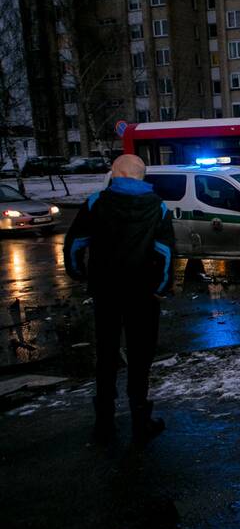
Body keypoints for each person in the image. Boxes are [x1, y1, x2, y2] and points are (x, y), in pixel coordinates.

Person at [64, 154, 175, 445]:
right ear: (141, 176)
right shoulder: (157, 207)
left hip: (106, 291)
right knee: (140, 356)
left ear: (115, 172)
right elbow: (165, 253)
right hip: (143, 294)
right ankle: (141, 419)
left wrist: (78, 272)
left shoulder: (96, 202)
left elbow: (75, 243)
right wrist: (160, 288)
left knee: (106, 353)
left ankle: (104, 423)